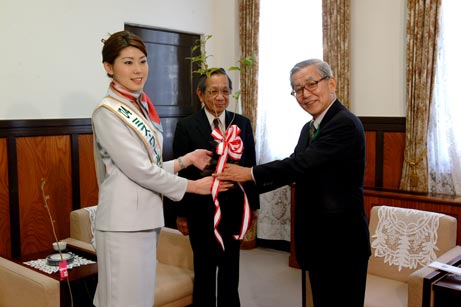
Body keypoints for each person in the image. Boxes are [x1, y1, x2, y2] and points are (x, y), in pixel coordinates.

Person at [216, 59, 371, 307]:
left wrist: (248, 173)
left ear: (331, 83)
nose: (305, 94)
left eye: (311, 85)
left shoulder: (344, 124)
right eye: (297, 90)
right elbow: (292, 170)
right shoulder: (308, 128)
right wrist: (240, 186)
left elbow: (301, 164)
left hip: (341, 244)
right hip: (318, 241)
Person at [91, 30, 229, 307]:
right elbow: (140, 171)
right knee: (121, 300)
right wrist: (193, 186)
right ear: (109, 67)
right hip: (123, 224)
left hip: (143, 219)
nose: (138, 69)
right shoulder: (107, 113)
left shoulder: (139, 107)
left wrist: (185, 160)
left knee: (139, 299)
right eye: (127, 62)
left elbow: (149, 166)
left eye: (142, 61)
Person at [173, 68, 260, 307]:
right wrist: (180, 213)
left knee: (231, 270)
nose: (220, 97)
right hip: (200, 210)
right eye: (213, 91)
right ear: (201, 94)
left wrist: (252, 206)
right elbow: (179, 172)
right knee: (204, 270)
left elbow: (250, 165)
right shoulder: (187, 126)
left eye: (225, 91)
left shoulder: (241, 122)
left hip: (234, 209)